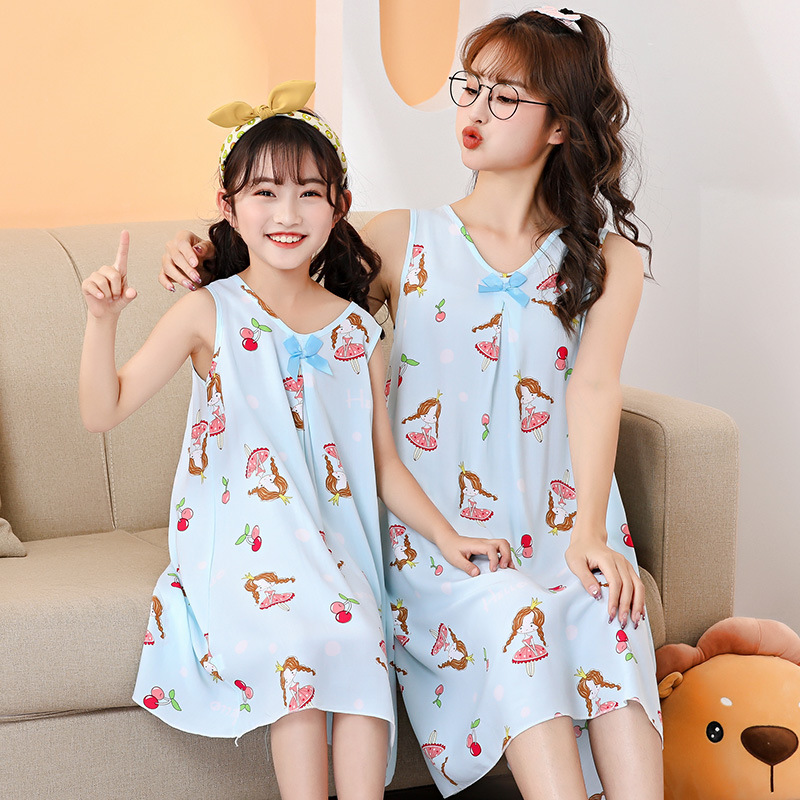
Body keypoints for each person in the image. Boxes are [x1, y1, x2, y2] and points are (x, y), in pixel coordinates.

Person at [159, 8, 664, 797]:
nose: (476, 108)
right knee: (514, 612)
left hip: (562, 520)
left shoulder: (607, 260)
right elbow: (282, 290)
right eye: (472, 87)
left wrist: (592, 534)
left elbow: (596, 387)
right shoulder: (401, 238)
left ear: (561, 126)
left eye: (506, 97)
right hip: (439, 537)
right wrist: (203, 253)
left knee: (610, 616)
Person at [79, 80, 513, 800]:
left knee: (360, 643)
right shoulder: (207, 314)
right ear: (229, 208)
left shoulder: (359, 332)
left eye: (310, 194)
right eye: (264, 193)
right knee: (304, 644)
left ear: (339, 207)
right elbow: (104, 410)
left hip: (334, 547)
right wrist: (102, 322)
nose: (287, 214)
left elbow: (384, 465)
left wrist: (447, 535)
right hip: (243, 544)